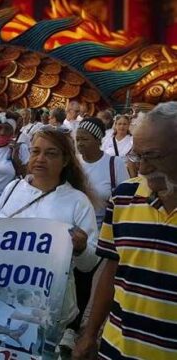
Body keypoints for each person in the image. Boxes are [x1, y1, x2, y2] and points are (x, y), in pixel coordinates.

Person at [74, 102, 177, 360]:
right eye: (137, 156)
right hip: (115, 349)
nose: (142, 168)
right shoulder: (123, 197)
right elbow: (111, 270)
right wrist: (89, 334)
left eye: (152, 156)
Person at [0, 127, 99, 355]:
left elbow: (89, 264)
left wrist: (79, 248)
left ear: (66, 160)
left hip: (49, 310)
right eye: (35, 152)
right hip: (3, 298)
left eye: (50, 153)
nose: (40, 159)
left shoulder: (77, 202)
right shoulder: (12, 189)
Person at [66, 117, 129, 350]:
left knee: (92, 284)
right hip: (76, 231)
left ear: (97, 140)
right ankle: (71, 329)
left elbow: (122, 199)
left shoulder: (114, 164)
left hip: (103, 235)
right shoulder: (74, 164)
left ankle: (86, 331)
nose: (80, 144)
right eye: (77, 139)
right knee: (74, 280)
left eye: (84, 139)